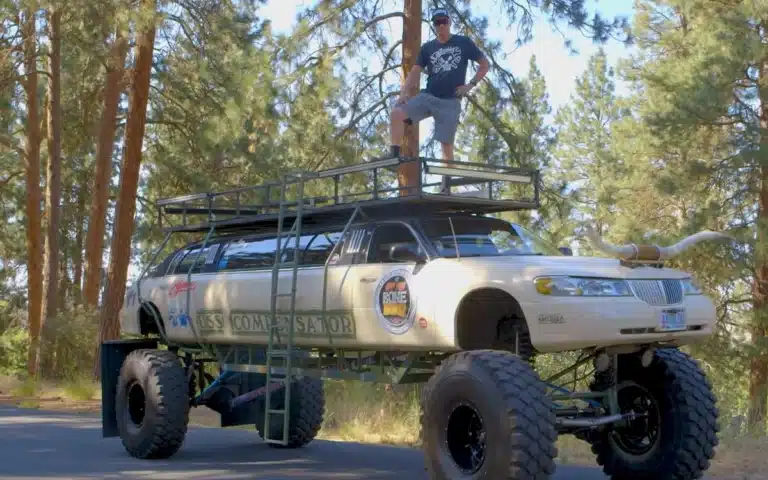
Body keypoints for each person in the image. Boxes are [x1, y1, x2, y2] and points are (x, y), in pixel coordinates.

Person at [386, 7, 490, 192]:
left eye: (444, 22)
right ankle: (394, 156)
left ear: (449, 23)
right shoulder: (428, 48)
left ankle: (446, 185)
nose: (441, 26)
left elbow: (484, 64)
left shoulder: (463, 43)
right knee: (397, 113)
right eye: (437, 23)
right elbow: (415, 72)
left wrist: (470, 85)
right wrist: (403, 94)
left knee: (446, 145)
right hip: (428, 96)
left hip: (450, 101)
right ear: (434, 26)